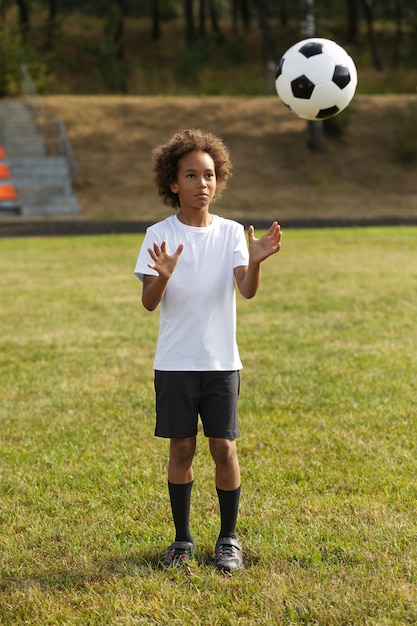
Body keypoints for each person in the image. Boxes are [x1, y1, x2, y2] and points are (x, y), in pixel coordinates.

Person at [134, 128, 281, 573]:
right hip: (176, 363)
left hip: (221, 364)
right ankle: (181, 540)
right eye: (192, 175)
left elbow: (247, 291)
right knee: (181, 450)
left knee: (224, 449)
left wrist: (254, 262)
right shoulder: (158, 235)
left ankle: (228, 539)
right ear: (173, 183)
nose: (203, 183)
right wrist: (162, 274)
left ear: (219, 179)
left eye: (210, 174)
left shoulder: (232, 232)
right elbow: (149, 301)